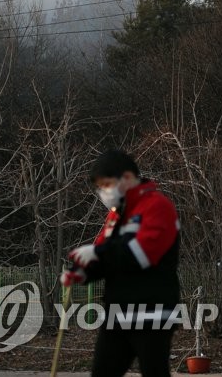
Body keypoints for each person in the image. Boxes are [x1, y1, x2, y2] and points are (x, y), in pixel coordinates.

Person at [61, 150, 181, 377]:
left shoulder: (157, 206)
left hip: (152, 312)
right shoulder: (116, 215)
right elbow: (107, 258)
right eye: (100, 187)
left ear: (126, 178)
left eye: (107, 184)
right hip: (118, 311)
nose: (103, 192)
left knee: (154, 371)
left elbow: (141, 254)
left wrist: (98, 251)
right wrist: (83, 271)